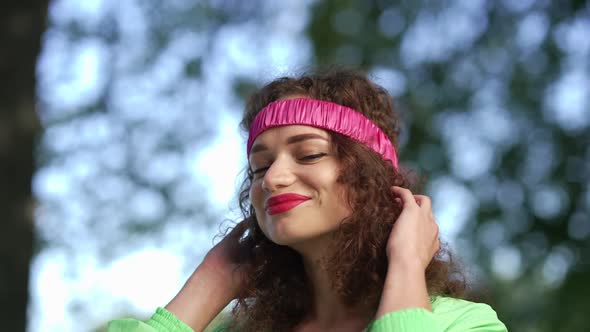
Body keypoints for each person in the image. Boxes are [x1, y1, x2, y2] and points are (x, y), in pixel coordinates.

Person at [108, 69, 507, 332]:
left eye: (310, 154)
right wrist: (209, 283)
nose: (274, 179)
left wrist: (405, 267)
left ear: (372, 175)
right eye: (260, 167)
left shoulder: (466, 324)